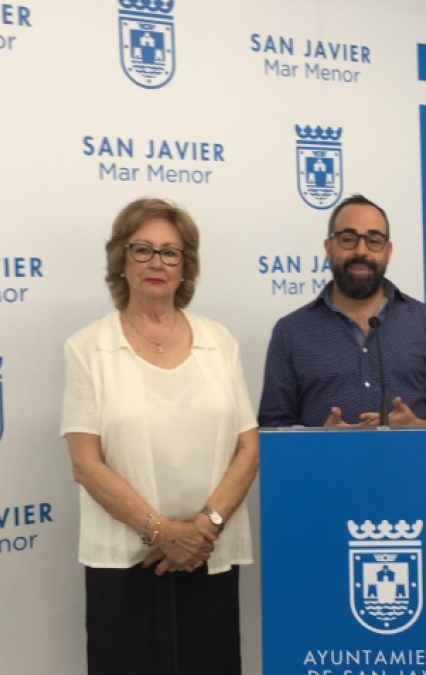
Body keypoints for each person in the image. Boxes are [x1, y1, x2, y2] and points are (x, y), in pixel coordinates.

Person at [61, 198, 259, 675]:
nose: (156, 262)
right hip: (125, 565)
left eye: (170, 252)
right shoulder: (88, 348)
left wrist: (202, 529)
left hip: (208, 554)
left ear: (185, 266)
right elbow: (85, 463)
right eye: (143, 249)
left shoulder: (220, 341)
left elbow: (248, 448)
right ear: (121, 259)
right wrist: (164, 533)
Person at [258, 193, 426, 427]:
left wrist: (421, 427)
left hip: (414, 453)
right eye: (348, 239)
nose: (361, 251)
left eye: (374, 241)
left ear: (388, 251)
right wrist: (317, 440)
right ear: (329, 248)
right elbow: (272, 424)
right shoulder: (290, 331)